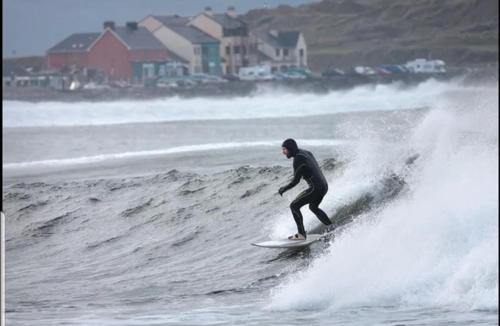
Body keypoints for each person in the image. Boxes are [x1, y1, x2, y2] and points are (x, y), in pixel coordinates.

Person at [279, 138, 333, 240]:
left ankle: (301, 235)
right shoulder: (306, 152)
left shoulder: (298, 160)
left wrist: (283, 189)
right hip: (324, 186)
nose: (283, 152)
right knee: (313, 207)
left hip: (315, 188)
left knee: (294, 206)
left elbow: (295, 181)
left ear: (290, 149)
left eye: (284, 149)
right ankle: (331, 226)